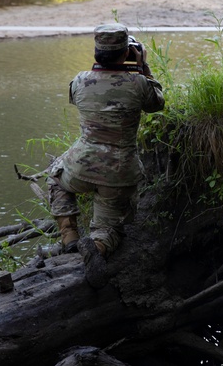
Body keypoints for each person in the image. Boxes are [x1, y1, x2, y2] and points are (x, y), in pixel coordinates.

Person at [46, 23, 164, 287]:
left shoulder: (79, 80)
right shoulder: (139, 83)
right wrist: (143, 68)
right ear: (126, 53)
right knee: (108, 229)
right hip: (119, 172)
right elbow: (157, 104)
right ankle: (96, 247)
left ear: (97, 51)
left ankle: (69, 237)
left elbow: (80, 98)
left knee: (54, 177)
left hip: (81, 167)